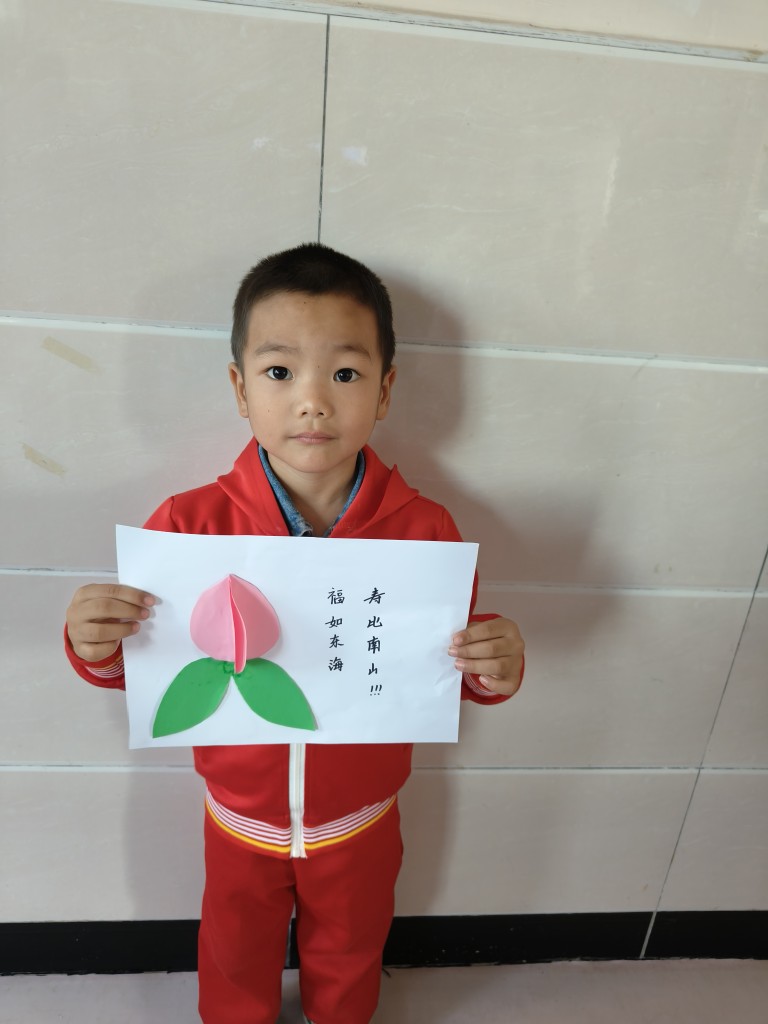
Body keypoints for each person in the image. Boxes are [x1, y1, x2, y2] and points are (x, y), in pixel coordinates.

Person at [65, 243, 525, 1024]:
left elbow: (443, 670)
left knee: (351, 945)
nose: (313, 401)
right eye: (280, 372)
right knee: (233, 947)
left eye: (344, 374)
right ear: (240, 389)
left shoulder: (426, 533)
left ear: (385, 390)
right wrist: (96, 646)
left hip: (363, 816)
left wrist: (492, 668)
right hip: (237, 816)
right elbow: (146, 665)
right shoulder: (186, 526)